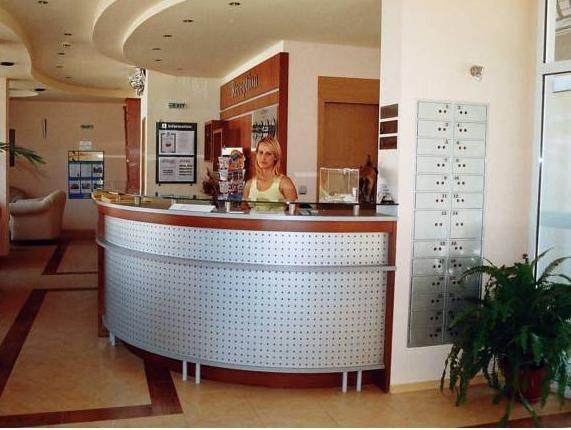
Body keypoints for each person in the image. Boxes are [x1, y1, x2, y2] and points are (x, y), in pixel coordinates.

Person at [243, 137, 298, 207]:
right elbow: (244, 211)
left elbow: (295, 210)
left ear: (275, 157)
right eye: (261, 152)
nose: (263, 158)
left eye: (268, 154)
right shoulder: (249, 184)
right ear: (256, 154)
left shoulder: (285, 183)